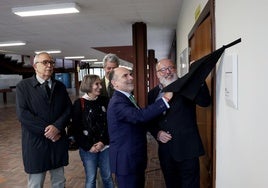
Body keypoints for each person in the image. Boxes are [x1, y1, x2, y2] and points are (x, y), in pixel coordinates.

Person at [148, 59, 211, 188]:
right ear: (157, 74)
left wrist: (197, 77)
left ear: (175, 69)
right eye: (163, 70)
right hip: (166, 151)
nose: (168, 72)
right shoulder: (153, 94)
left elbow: (205, 102)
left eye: (171, 68)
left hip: (187, 149)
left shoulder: (187, 86)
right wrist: (157, 133)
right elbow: (149, 119)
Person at [107, 67, 173, 188]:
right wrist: (165, 99)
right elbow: (139, 116)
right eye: (125, 76)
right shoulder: (117, 102)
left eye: (130, 74)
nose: (131, 78)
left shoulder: (127, 98)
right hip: (126, 162)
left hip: (133, 160)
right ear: (114, 83)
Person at [16, 52, 72, 188]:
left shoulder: (60, 86)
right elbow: (23, 114)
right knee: (35, 183)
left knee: (59, 182)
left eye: (51, 63)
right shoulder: (23, 86)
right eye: (45, 62)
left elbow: (68, 109)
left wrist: (57, 127)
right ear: (35, 66)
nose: (49, 65)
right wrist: (48, 131)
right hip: (36, 143)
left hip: (57, 141)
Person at [72, 74, 114, 188]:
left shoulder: (105, 101)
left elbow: (110, 124)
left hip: (105, 147)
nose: (100, 87)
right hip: (88, 149)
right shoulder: (79, 104)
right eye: (97, 84)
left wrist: (103, 142)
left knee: (107, 177)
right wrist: (89, 146)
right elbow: (76, 128)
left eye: (100, 83)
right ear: (88, 85)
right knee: (91, 179)